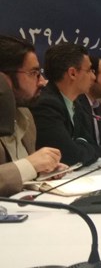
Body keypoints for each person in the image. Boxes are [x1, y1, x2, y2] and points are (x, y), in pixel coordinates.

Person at [0, 35, 67, 197]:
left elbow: (16, 173)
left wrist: (39, 171)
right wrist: (29, 165)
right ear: (3, 79)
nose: (42, 81)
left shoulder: (25, 115)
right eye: (33, 73)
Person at [31, 43, 99, 166]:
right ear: (72, 73)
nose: (94, 77)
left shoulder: (77, 103)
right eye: (89, 70)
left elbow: (94, 147)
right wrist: (81, 143)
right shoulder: (46, 104)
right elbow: (69, 156)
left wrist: (79, 144)